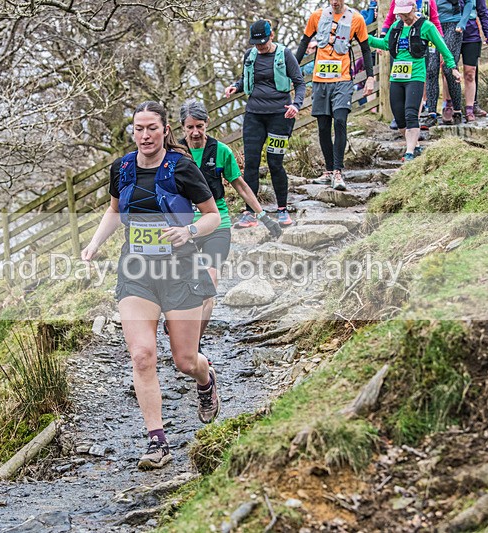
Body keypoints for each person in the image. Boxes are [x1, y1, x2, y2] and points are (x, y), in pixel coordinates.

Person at [80, 101, 221, 470]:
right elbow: (115, 210)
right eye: (138, 128)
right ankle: (157, 442)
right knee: (142, 355)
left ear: (165, 130)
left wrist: (189, 230)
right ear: (133, 131)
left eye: (151, 128)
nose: (145, 135)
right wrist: (94, 244)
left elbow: (213, 216)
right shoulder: (122, 167)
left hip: (180, 271)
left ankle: (205, 380)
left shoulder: (182, 167)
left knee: (185, 361)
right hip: (137, 272)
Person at [177, 100, 283, 353]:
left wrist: (263, 216)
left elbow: (241, 186)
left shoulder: (221, 151)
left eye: (200, 126)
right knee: (181, 287)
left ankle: (193, 346)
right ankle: (180, 327)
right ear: (182, 127)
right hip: (184, 227)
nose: (195, 132)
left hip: (217, 224)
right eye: (190, 127)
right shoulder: (175, 153)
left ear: (207, 124)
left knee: (208, 288)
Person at [224, 19, 305, 228]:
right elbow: (246, 79)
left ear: (272, 36)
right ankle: (250, 213)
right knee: (251, 164)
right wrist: (235, 86)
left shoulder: (285, 54)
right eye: (256, 43)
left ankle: (282, 209)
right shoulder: (249, 56)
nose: (259, 47)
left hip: (280, 116)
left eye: (263, 43)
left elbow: (299, 83)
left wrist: (296, 105)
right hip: (254, 116)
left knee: (275, 163)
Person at [295, 0, 375, 191]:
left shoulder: (356, 19)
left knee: (340, 120)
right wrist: (293, 70)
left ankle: (338, 171)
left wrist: (370, 77)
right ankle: (329, 170)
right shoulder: (316, 16)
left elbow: (365, 49)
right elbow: (304, 42)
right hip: (320, 80)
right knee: (323, 126)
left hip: (343, 79)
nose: (335, 2)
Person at [369, 0, 462, 159]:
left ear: (413, 8)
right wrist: (366, 38)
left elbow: (443, 48)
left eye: (406, 13)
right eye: (400, 13)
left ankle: (409, 152)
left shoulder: (426, 26)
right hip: (397, 77)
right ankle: (415, 146)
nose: (403, 16)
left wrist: (453, 67)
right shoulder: (396, 26)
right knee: (399, 119)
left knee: (411, 114)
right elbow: (385, 44)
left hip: (416, 76)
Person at [426, 0, 474, 124]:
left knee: (449, 68)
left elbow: (469, 2)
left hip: (452, 25)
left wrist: (462, 23)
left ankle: (457, 111)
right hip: (431, 26)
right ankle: (431, 114)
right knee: (431, 69)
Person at [461, 0, 488, 120]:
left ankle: (472, 105)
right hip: (450, 30)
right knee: (448, 71)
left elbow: (483, 12)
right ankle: (451, 107)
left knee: (471, 72)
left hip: (472, 34)